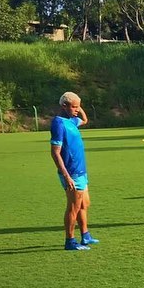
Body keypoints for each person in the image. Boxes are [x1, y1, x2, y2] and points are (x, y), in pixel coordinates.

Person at [49, 91, 98, 251]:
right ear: (64, 106)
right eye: (74, 107)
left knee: (84, 204)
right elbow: (55, 152)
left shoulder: (71, 121)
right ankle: (70, 241)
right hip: (71, 173)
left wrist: (78, 105)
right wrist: (66, 175)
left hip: (81, 171)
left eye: (78, 106)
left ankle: (85, 235)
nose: (77, 109)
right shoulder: (59, 123)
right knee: (73, 207)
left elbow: (84, 120)